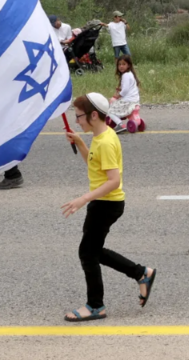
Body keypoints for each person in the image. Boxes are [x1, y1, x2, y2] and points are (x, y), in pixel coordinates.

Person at [61, 92, 156, 322]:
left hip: (105, 204)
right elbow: (94, 165)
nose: (77, 121)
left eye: (79, 116)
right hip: (103, 203)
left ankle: (96, 306)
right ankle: (142, 273)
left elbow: (113, 180)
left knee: (87, 252)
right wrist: (82, 144)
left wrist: (83, 198)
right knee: (93, 251)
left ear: (94, 115)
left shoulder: (104, 141)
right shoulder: (100, 135)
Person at [109, 55, 141, 133]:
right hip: (135, 100)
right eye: (119, 64)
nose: (121, 66)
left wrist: (117, 96)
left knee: (110, 111)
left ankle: (120, 124)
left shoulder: (125, 75)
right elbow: (128, 88)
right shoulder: (130, 74)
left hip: (128, 102)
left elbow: (125, 91)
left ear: (128, 65)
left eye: (123, 64)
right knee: (116, 105)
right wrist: (120, 89)